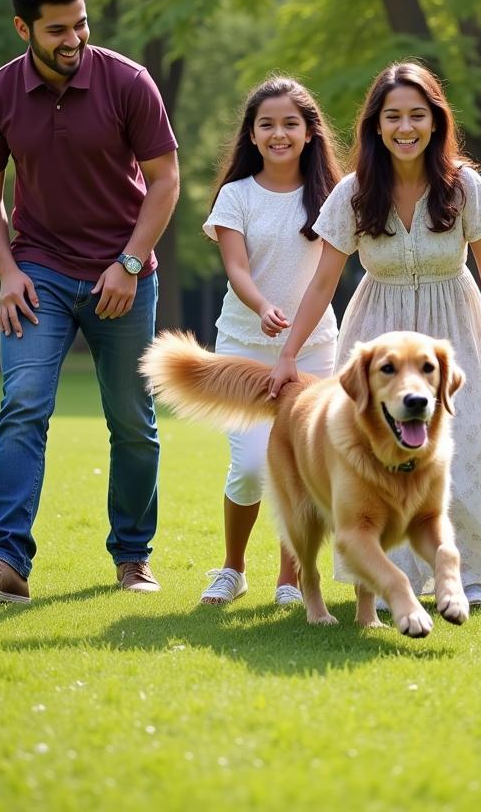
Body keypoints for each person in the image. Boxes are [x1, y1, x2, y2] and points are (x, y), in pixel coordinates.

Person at [267, 60, 481, 607]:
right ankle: (388, 577)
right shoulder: (354, 194)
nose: (405, 128)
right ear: (376, 126)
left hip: (454, 332)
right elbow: (321, 284)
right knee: (379, 455)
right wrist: (289, 354)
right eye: (392, 117)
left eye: (416, 115)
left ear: (435, 121)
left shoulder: (464, 188)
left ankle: (468, 573)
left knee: (467, 442)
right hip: (378, 332)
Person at [0, 0, 180, 605]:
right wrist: (6, 271)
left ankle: (133, 558)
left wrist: (130, 263)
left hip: (123, 273)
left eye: (79, 23)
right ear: (23, 28)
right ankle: (6, 564)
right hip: (40, 271)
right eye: (56, 29)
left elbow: (165, 180)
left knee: (133, 422)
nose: (73, 38)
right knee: (23, 405)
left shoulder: (127, 82)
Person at [197, 76, 342, 606]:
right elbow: (235, 266)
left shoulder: (331, 198)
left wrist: (294, 332)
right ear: (252, 136)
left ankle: (292, 577)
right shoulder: (236, 196)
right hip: (242, 345)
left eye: (289, 124)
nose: (278, 134)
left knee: (301, 464)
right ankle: (232, 569)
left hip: (314, 348)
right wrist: (262, 306)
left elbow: (327, 279)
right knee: (253, 465)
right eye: (267, 125)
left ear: (309, 133)